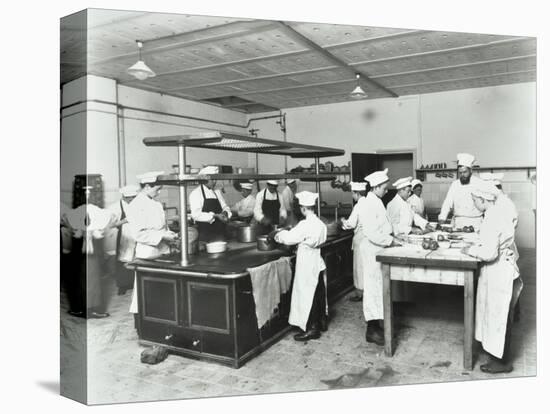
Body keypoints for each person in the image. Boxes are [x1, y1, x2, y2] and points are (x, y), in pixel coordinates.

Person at [461, 180, 522, 373]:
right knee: (496, 315)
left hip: (500, 273)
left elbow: (489, 253)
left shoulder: (492, 218)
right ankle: (496, 354)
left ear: (482, 199)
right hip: (501, 270)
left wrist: (470, 249)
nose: (474, 204)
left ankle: (502, 363)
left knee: (499, 317)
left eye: (474, 200)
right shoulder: (495, 213)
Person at [274, 191, 327, 341]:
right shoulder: (320, 224)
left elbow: (290, 238)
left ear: (303, 208)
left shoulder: (305, 224)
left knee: (306, 295)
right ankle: (321, 321)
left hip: (307, 262)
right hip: (317, 261)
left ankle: (312, 329)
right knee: (317, 293)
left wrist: (278, 235)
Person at [128, 171, 178, 316]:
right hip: (147, 254)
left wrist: (171, 235)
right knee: (146, 293)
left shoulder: (155, 204)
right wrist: (163, 236)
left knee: (162, 291)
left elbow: (163, 226)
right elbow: (139, 234)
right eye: (157, 189)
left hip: (162, 252)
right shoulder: (135, 206)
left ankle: (163, 318)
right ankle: (146, 323)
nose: (159, 192)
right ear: (147, 186)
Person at [362, 168, 400, 346]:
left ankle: (377, 326)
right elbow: (372, 233)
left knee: (378, 289)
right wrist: (390, 241)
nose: (386, 191)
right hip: (372, 251)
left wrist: (393, 237)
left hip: (378, 250)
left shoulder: (376, 201)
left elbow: (384, 226)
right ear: (376, 187)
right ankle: (371, 330)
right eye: (384, 188)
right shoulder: (368, 204)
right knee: (373, 290)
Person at [64, 187, 114, 319]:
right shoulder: (77, 212)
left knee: (92, 281)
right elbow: (72, 229)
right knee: (82, 281)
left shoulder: (94, 211)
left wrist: (92, 232)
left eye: (89, 195)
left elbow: (99, 231)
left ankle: (91, 309)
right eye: (85, 195)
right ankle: (82, 309)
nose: (88, 198)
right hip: (80, 252)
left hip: (90, 252)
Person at [106, 184, 139, 295]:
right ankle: (123, 286)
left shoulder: (138, 205)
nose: (132, 200)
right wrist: (124, 221)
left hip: (136, 235)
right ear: (124, 197)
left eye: (134, 197)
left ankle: (135, 284)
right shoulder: (114, 207)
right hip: (122, 237)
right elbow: (108, 225)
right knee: (122, 260)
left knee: (136, 259)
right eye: (130, 198)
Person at [438, 153, 484, 231]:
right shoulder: (455, 184)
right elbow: (447, 202)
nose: (462, 175)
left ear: (471, 171)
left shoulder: (479, 183)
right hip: (458, 223)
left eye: (465, 172)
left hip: (475, 224)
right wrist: (442, 218)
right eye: (460, 173)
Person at [341, 181, 369, 302]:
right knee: (367, 268)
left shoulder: (358, 206)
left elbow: (350, 224)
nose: (352, 195)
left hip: (360, 240)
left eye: (353, 193)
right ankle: (368, 292)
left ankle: (360, 294)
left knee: (359, 268)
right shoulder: (369, 203)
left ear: (356, 193)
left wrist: (342, 222)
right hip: (369, 240)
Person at [189, 166, 232, 242]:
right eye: (212, 179)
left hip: (221, 234)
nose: (215, 182)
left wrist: (225, 213)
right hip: (205, 236)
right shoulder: (196, 193)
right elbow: (196, 215)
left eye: (216, 179)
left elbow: (226, 207)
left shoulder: (217, 192)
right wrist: (215, 216)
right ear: (205, 179)